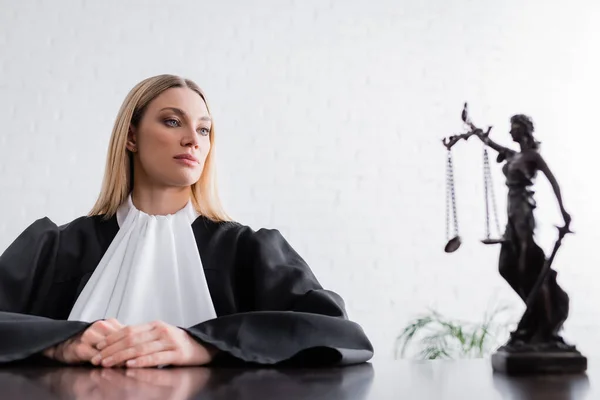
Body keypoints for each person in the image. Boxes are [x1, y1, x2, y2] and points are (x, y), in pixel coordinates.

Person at [0, 74, 373, 368]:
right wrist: (60, 342)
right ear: (131, 136)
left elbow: (342, 334)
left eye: (204, 129)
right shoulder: (54, 249)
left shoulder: (249, 252)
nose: (192, 139)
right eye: (172, 121)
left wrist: (204, 343)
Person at [474, 114, 572, 350]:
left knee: (527, 265)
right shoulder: (514, 155)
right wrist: (472, 129)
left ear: (524, 131)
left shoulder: (533, 157)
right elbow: (490, 143)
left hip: (523, 212)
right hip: (511, 213)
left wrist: (564, 213)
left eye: (513, 128)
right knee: (506, 267)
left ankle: (544, 326)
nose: (510, 133)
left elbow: (554, 182)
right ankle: (536, 314)